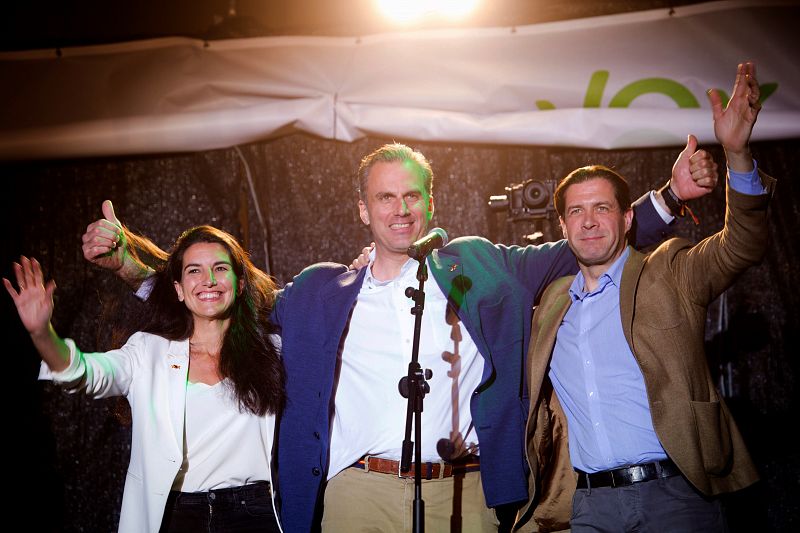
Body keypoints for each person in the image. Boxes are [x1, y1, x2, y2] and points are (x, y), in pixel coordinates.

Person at [82, 133, 715, 531]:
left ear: (431, 204)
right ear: (363, 210)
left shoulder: (480, 264)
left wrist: (668, 197)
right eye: (385, 198)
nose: (401, 209)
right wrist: (130, 263)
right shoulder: (322, 292)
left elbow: (581, 244)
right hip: (361, 495)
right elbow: (218, 296)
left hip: (464, 493)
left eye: (412, 196)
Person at [516, 61, 771, 533]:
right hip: (588, 506)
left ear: (628, 219)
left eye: (601, 208)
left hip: (674, 498)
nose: (589, 221)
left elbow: (743, 245)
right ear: (563, 227)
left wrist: (737, 153)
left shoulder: (669, 270)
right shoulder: (549, 305)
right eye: (576, 211)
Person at [5, 226, 286, 533]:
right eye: (194, 270)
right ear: (178, 289)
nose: (209, 280)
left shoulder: (274, 351)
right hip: (176, 517)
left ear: (240, 283)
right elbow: (84, 372)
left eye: (220, 268)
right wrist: (42, 333)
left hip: (253, 515)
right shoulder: (147, 351)